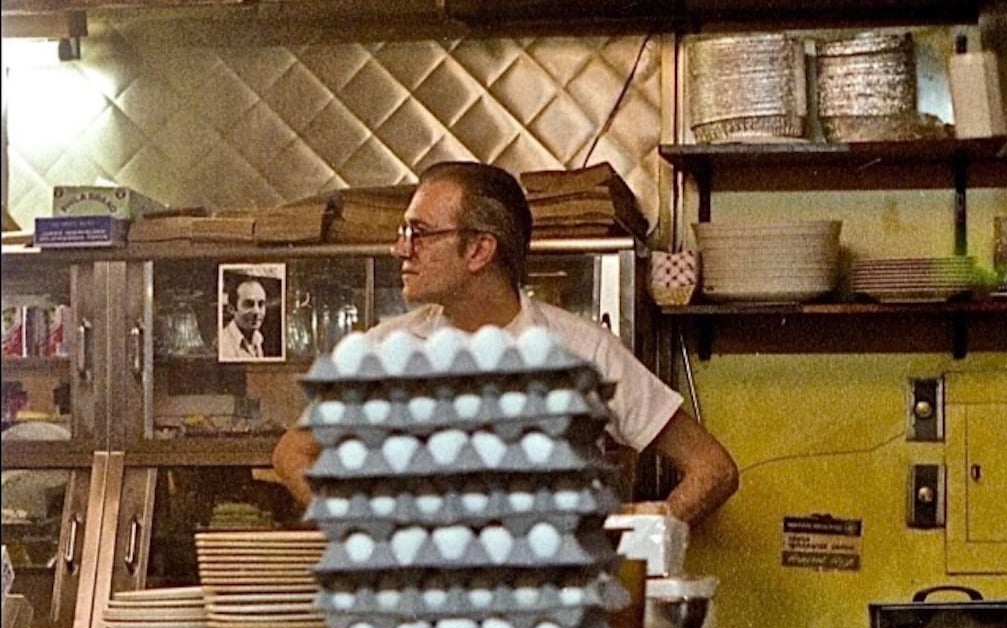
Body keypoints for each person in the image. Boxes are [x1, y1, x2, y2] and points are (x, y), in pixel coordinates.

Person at [273, 162, 738, 525]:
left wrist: (643, 541)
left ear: (479, 250)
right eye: (403, 233)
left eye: (420, 233)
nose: (401, 249)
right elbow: (294, 453)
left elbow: (712, 470)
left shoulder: (584, 352)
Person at [219, 276, 267, 360]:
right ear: (231, 309)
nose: (256, 311)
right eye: (249, 304)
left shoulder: (258, 339)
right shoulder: (223, 345)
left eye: (261, 304)